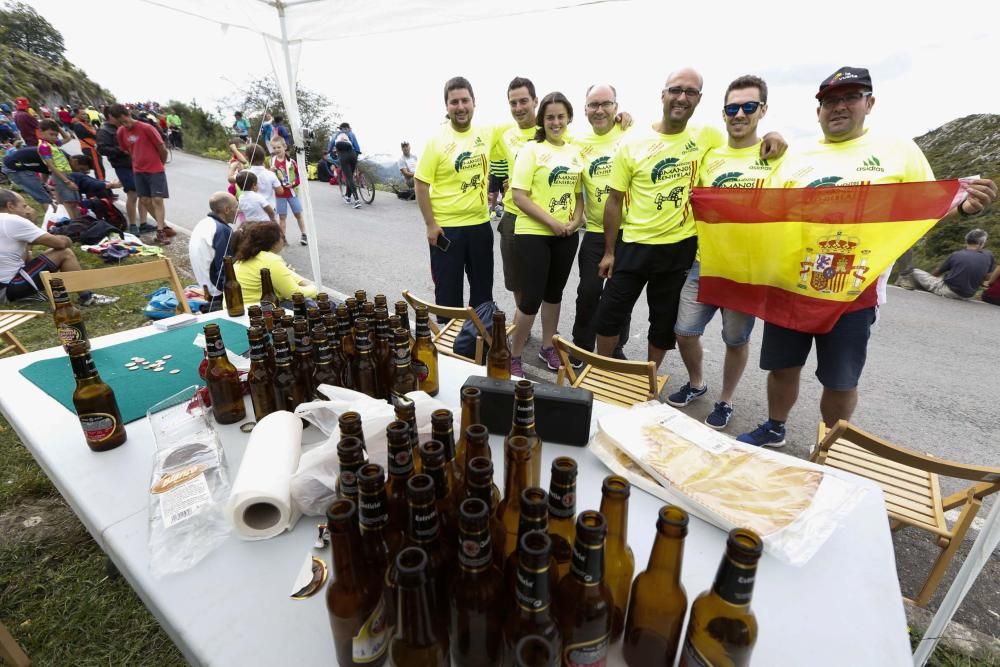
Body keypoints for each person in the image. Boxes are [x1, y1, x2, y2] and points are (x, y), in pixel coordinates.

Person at [737, 66, 998, 447]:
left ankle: (830, 443)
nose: (838, 107)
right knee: (782, 366)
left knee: (840, 379)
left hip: (852, 290)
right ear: (818, 111)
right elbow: (766, 209)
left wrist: (964, 209)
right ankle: (775, 426)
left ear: (869, 103)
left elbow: (925, 205)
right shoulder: (797, 154)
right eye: (829, 101)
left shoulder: (899, 150)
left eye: (850, 97)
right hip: (791, 283)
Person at [593, 69, 726, 370]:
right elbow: (613, 201)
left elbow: (741, 146)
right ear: (663, 95)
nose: (682, 97)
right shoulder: (633, 142)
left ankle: (649, 381)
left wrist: (771, 137)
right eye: (676, 90)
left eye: (690, 92)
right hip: (634, 243)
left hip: (679, 247)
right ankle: (604, 370)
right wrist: (609, 251)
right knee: (609, 312)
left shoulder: (708, 136)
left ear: (699, 99)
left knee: (663, 321)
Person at [668, 74, 780, 429]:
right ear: (723, 113)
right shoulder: (710, 156)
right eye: (733, 108)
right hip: (706, 264)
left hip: (746, 271)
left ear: (762, 110)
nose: (740, 114)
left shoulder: (776, 156)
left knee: (735, 339)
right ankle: (697, 383)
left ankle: (725, 400)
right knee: (684, 331)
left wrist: (778, 138)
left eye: (749, 107)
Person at [507, 92, 585, 376]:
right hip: (533, 233)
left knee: (554, 294)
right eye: (550, 117)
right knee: (531, 297)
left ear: (568, 118)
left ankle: (547, 347)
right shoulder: (532, 150)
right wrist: (552, 222)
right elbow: (519, 196)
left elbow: (578, 196)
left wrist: (576, 221)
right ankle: (513, 354)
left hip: (566, 235)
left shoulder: (574, 151)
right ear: (542, 120)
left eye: (560, 116)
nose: (555, 122)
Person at [414, 76, 495, 312]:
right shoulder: (435, 140)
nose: (460, 107)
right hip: (447, 229)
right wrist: (430, 224)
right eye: (454, 102)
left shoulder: (487, 133)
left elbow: (523, 125)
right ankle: (448, 345)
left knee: (483, 292)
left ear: (474, 102)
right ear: (446, 107)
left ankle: (478, 342)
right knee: (448, 293)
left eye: (465, 100)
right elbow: (420, 184)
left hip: (480, 226)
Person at [571, 83, 632, 362]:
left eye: (606, 104)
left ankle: (615, 346)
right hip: (595, 231)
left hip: (630, 232)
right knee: (588, 292)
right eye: (593, 105)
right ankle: (581, 346)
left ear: (616, 107)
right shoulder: (577, 143)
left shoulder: (631, 134)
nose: (599, 110)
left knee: (621, 296)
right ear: (584, 110)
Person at [0, 188, 117, 305]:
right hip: (7, 290)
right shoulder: (12, 220)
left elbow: (22, 258)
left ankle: (47, 289)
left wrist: (28, 238)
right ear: (10, 206)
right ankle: (87, 297)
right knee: (64, 253)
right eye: (24, 206)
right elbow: (60, 244)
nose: (27, 211)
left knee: (33, 256)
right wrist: (67, 239)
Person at [491, 76, 539, 309]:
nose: (518, 108)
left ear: (535, 101)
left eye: (523, 101)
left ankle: (549, 329)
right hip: (512, 215)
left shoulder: (552, 127)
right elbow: (470, 136)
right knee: (516, 279)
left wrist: (623, 121)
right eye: (513, 103)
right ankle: (523, 324)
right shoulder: (502, 132)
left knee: (544, 278)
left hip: (544, 216)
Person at [109, 104, 173, 245]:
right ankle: (163, 225)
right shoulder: (121, 132)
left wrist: (160, 164)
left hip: (155, 169)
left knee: (157, 199)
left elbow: (162, 148)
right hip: (138, 170)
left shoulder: (146, 128)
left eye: (125, 120)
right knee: (144, 200)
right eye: (120, 123)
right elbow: (127, 149)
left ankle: (160, 231)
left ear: (129, 114)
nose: (124, 125)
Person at [233, 221, 317, 305]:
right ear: (274, 242)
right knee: (314, 304)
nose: (283, 240)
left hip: (238, 308)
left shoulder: (250, 255)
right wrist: (315, 289)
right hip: (256, 310)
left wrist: (306, 284)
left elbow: (288, 274)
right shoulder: (270, 259)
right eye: (282, 237)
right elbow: (293, 293)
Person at [97, 109, 149, 235]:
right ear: (110, 116)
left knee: (144, 194)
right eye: (117, 116)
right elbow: (102, 149)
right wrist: (121, 150)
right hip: (122, 166)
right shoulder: (104, 130)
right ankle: (132, 225)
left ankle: (143, 223)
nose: (120, 119)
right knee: (133, 193)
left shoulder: (125, 127)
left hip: (137, 163)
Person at [908, 229, 996, 300]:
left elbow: (937, 272)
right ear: (982, 243)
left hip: (948, 291)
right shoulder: (989, 255)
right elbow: (988, 277)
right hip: (968, 295)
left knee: (913, 271)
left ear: (966, 240)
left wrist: (932, 278)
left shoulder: (957, 254)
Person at [189, 191, 238, 310]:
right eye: (236, 207)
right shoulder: (222, 230)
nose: (238, 210)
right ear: (226, 210)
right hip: (216, 292)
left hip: (205, 285)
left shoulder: (204, 223)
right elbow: (225, 267)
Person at [38, 119, 81, 219]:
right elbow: (51, 166)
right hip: (60, 175)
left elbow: (68, 138)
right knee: (69, 203)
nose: (54, 137)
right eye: (51, 134)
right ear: (41, 132)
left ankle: (78, 222)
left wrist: (58, 127)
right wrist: (67, 181)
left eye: (56, 135)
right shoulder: (44, 146)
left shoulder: (53, 143)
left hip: (66, 173)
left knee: (74, 202)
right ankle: (75, 224)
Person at [269, 137, 307, 245]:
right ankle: (283, 238)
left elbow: (299, 177)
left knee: (298, 214)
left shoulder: (292, 162)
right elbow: (269, 177)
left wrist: (293, 184)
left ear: (285, 147)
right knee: (282, 217)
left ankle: (304, 234)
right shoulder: (271, 161)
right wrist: (270, 171)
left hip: (291, 193)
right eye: (274, 148)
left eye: (279, 147)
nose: (276, 150)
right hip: (279, 193)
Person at [332, 122, 362, 209]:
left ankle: (357, 200)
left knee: (349, 178)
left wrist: (330, 151)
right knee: (350, 177)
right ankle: (348, 197)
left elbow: (331, 145)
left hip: (343, 156)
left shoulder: (337, 134)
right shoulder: (351, 133)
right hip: (353, 155)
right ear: (348, 128)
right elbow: (357, 147)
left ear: (341, 128)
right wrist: (356, 154)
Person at [245, 143, 282, 210]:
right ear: (263, 157)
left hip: (252, 208)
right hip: (269, 208)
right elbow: (280, 191)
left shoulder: (245, 173)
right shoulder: (271, 174)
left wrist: (233, 167)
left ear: (247, 158)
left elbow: (230, 179)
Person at [70, 107, 105, 181]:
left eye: (85, 114)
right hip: (90, 148)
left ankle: (102, 184)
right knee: (98, 168)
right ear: (76, 115)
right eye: (82, 114)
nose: (85, 116)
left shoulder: (83, 123)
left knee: (98, 166)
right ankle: (103, 185)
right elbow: (87, 134)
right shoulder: (78, 125)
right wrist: (97, 135)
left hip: (92, 147)